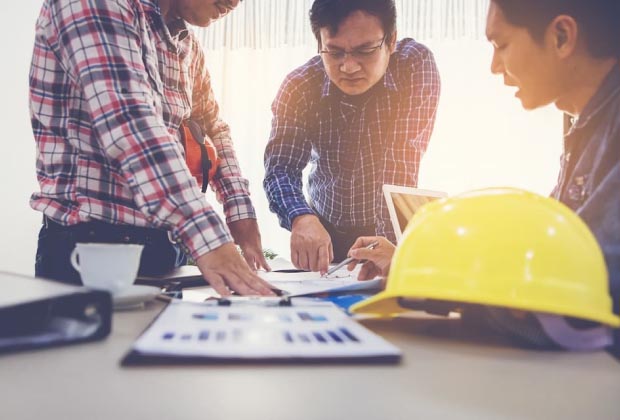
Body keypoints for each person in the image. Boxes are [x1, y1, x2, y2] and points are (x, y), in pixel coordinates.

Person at [348, 0, 620, 349]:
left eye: (500, 44)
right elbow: (547, 251)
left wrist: (439, 291)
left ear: (562, 36)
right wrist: (416, 264)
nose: (494, 66)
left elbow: (580, 294)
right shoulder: (587, 124)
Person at [30, 0, 275, 297]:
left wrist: (240, 213)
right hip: (88, 249)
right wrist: (209, 237)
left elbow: (212, 126)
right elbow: (131, 122)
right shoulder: (95, 4)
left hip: (162, 246)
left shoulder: (186, 45)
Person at [263, 0, 440, 273]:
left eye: (364, 50)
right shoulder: (298, 86)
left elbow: (401, 160)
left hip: (391, 220)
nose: (348, 67)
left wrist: (391, 247)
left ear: (391, 41)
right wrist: (301, 218)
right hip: (326, 227)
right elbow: (280, 168)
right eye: (334, 52)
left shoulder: (414, 66)